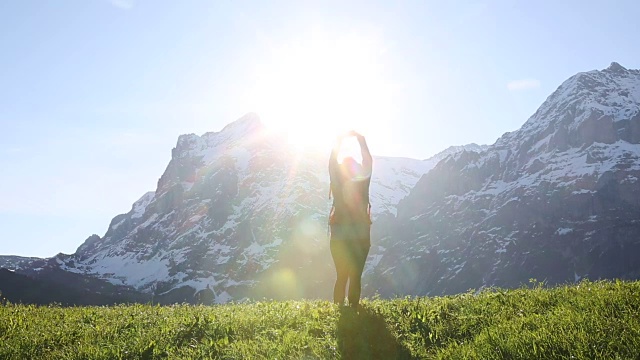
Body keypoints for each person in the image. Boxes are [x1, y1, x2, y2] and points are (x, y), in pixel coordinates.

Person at [328, 130, 372, 308]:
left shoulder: (337, 185)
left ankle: (338, 309)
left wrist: (338, 141)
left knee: (341, 276)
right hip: (361, 235)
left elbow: (332, 164)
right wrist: (361, 141)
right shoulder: (363, 183)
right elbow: (368, 161)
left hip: (339, 235)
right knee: (355, 275)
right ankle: (354, 308)